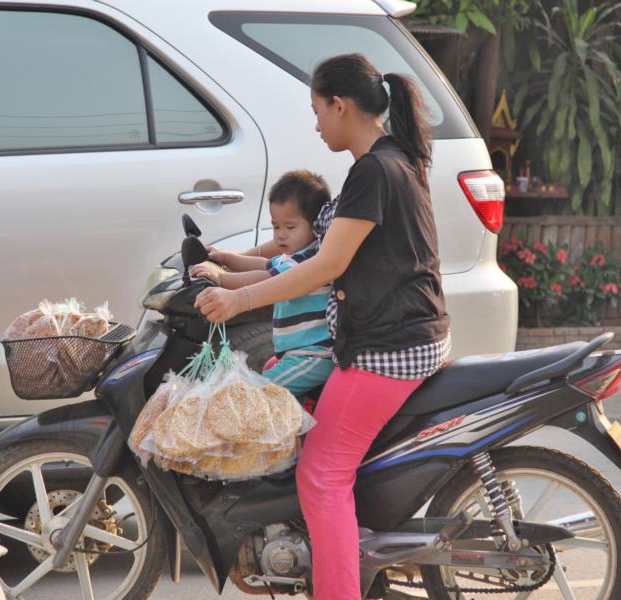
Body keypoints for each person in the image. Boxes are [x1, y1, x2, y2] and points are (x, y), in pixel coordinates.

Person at [194, 53, 450, 599]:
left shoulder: (374, 170)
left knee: (322, 474)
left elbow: (325, 265)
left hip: (387, 349)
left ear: (340, 105)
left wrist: (241, 303)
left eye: (317, 110)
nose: (315, 123)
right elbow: (306, 246)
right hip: (408, 334)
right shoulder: (392, 159)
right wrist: (231, 262)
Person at [191, 170, 334, 399]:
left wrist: (223, 280)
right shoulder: (294, 255)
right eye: (276, 227)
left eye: (290, 227)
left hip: (314, 356)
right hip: (293, 353)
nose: (281, 236)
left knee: (259, 394)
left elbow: (268, 279)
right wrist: (227, 258)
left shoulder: (311, 260)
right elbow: (265, 265)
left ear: (316, 225)